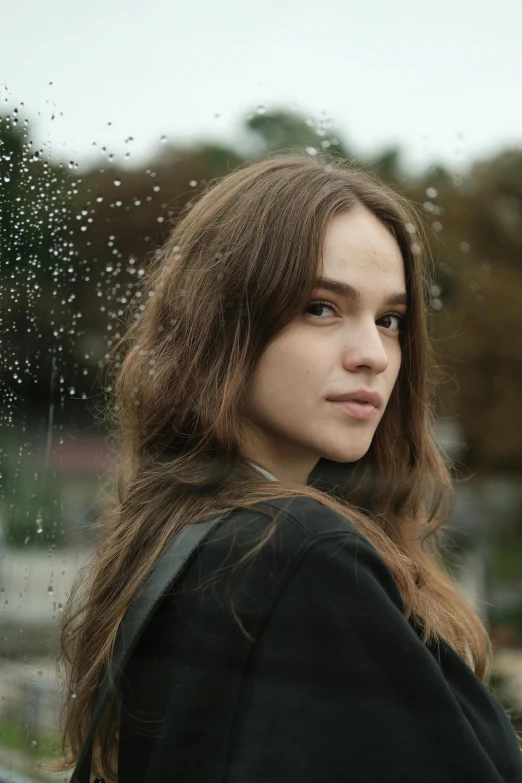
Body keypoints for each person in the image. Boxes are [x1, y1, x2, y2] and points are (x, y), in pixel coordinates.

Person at [57, 154, 522, 782]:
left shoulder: (186, 534)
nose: (373, 357)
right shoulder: (298, 547)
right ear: (222, 322)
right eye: (322, 307)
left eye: (390, 320)